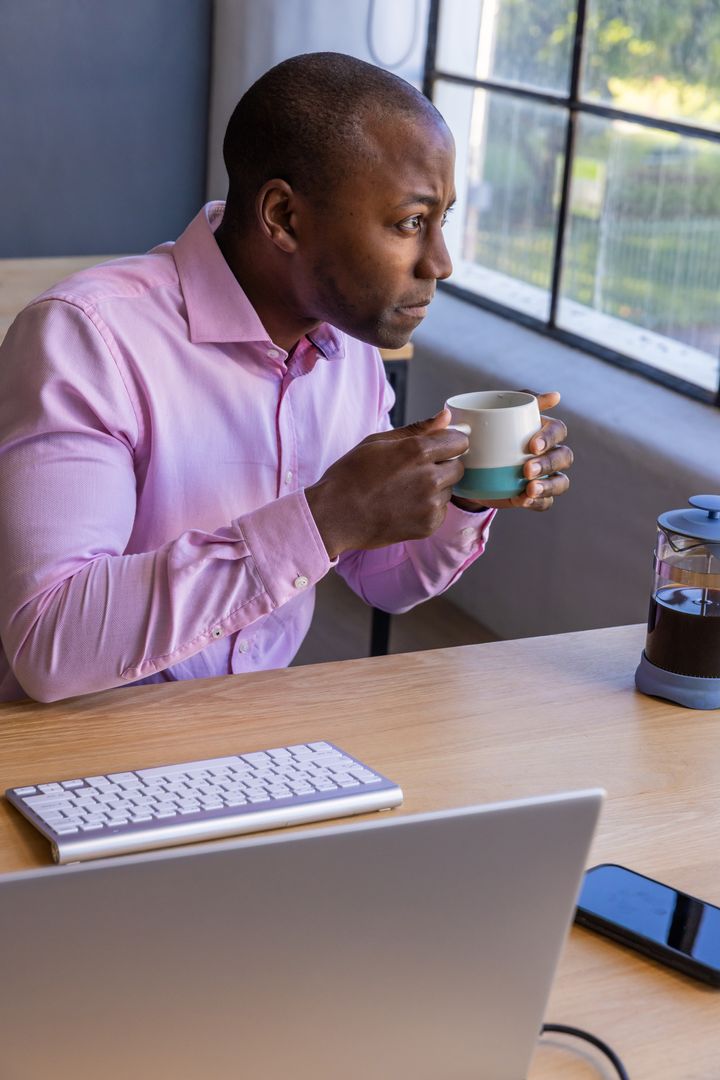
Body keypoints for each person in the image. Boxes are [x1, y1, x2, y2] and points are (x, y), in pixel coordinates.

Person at [0, 52, 571, 703]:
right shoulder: (87, 339)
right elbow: (51, 642)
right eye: (411, 223)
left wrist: (460, 496)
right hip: (69, 750)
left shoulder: (345, 348)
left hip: (253, 738)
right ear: (284, 217)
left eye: (442, 221)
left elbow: (380, 580)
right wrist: (322, 518)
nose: (440, 262)